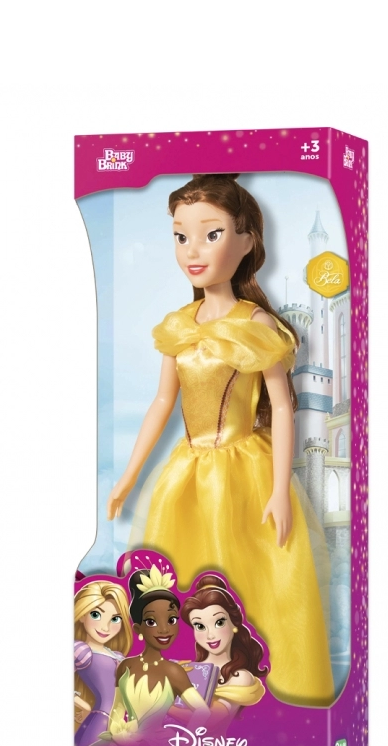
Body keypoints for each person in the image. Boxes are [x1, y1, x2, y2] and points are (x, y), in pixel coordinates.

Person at [107, 173, 334, 708]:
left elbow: (282, 406)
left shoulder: (255, 324)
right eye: (181, 236)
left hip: (245, 471)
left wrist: (279, 490)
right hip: (185, 475)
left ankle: (272, 695)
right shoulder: (178, 326)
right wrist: (129, 477)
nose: (193, 250)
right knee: (183, 579)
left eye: (211, 234)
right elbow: (162, 403)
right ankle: (183, 700)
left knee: (258, 577)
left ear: (247, 239)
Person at [99, 562, 211, 746]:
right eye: (151, 621)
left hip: (158, 744)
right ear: (138, 628)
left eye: (171, 619)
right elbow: (117, 709)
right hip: (125, 743)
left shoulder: (173, 671)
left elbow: (202, 711)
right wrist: (119, 735)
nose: (164, 629)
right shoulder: (126, 666)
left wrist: (184, 738)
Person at [177, 573, 267, 731]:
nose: (210, 635)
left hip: (212, 745)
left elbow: (210, 719)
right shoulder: (189, 669)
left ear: (234, 623)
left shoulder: (240, 676)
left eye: (219, 622)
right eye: (200, 626)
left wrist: (162, 707)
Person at [73, 580, 133, 746]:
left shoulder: (118, 656)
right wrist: (84, 706)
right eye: (96, 615)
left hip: (122, 726)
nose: (105, 627)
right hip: (100, 722)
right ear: (82, 615)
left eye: (115, 619)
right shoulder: (81, 650)